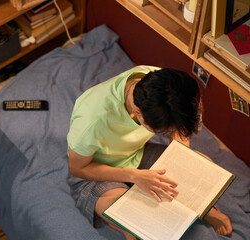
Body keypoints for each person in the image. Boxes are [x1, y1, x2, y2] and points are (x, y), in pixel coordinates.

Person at [67, 66, 232, 239]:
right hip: (96, 170)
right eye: (164, 131)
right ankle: (123, 221)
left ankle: (202, 208)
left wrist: (180, 160)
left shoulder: (166, 84)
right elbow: (78, 168)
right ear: (137, 113)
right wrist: (134, 176)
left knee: (202, 165)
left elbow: (182, 124)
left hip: (136, 153)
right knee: (136, 225)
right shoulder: (91, 120)